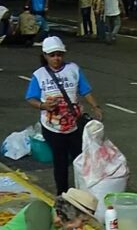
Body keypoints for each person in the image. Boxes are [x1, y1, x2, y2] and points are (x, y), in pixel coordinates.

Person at [25, 36, 103, 195]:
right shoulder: (39, 75)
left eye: (59, 54)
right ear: (45, 56)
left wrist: (95, 106)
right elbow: (30, 98)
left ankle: (83, 192)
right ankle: (62, 194)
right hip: (52, 127)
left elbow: (85, 90)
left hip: (74, 124)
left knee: (80, 159)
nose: (56, 58)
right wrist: (43, 105)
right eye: (52, 55)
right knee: (60, 161)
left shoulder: (73, 69)